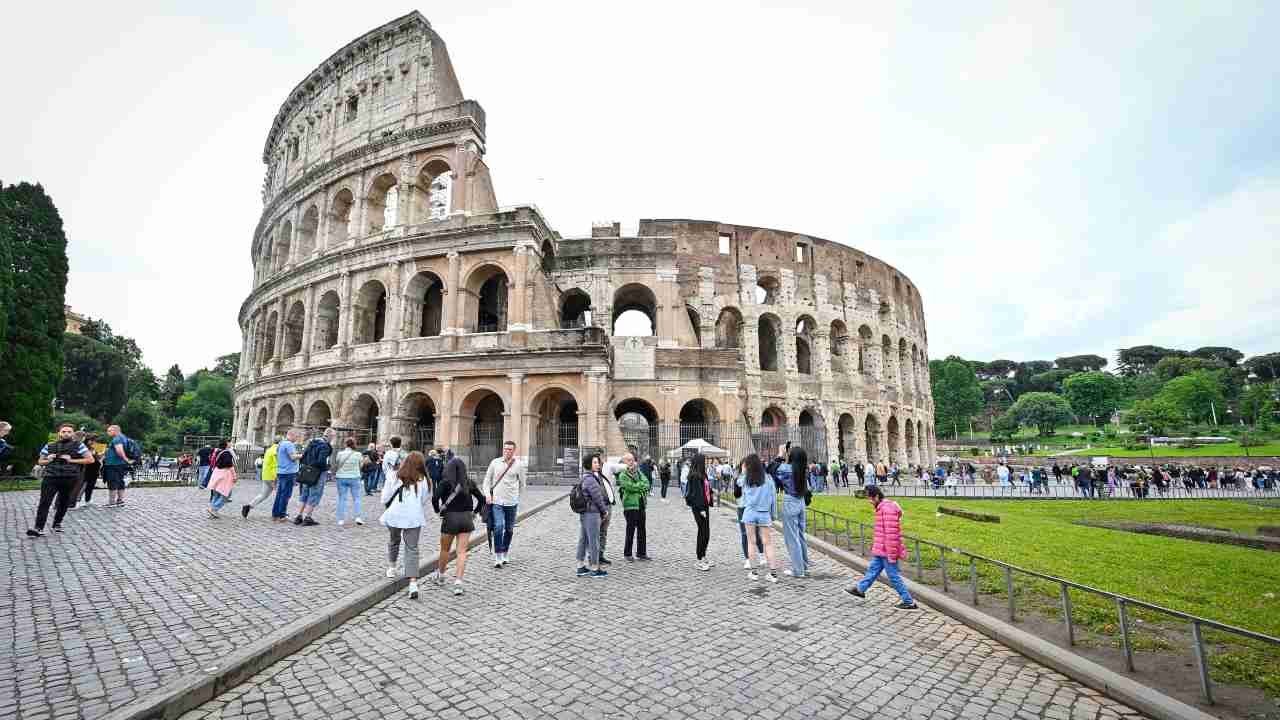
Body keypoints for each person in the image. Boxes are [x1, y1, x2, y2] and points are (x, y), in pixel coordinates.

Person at [844, 485, 918, 609]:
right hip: (881, 549)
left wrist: (892, 554)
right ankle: (860, 589)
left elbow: (891, 534)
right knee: (872, 570)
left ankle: (908, 601)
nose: (869, 501)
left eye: (871, 498)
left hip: (887, 550)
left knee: (893, 577)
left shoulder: (887, 509)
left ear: (877, 496)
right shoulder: (881, 507)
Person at [432, 450, 485, 596]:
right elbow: (482, 499)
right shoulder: (469, 482)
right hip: (466, 519)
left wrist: (438, 512)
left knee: (445, 550)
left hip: (450, 518)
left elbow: (434, 498)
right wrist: (475, 512)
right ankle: (458, 583)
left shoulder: (444, 483)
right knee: (461, 552)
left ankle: (441, 576)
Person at [27, 424, 95, 536]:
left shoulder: (79, 445)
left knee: (63, 502)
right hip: (50, 477)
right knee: (45, 502)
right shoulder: (49, 446)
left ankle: (57, 524)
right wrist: (48, 459)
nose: (66, 433)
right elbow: (40, 462)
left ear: (73, 433)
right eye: (64, 431)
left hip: (69, 477)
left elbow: (90, 460)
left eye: (69, 431)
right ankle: (38, 528)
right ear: (59, 433)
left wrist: (71, 460)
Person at [381, 450, 431, 600]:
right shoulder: (424, 480)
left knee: (394, 540)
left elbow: (385, 497)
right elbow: (423, 500)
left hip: (395, 514)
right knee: (412, 548)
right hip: (413, 517)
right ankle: (413, 584)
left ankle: (392, 566)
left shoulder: (395, 476)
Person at [769, 444, 811, 578]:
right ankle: (804, 566)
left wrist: (781, 454)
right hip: (800, 502)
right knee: (800, 536)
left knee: (792, 538)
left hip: (790, 502)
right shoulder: (803, 469)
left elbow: (770, 469)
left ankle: (798, 571)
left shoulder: (787, 469)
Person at [483, 441, 526, 568]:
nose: (507, 451)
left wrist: (517, 497)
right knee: (498, 527)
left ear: (514, 451)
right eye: (506, 449)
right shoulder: (495, 462)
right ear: (503, 449)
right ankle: (498, 555)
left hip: (512, 502)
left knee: (509, 529)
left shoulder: (519, 465)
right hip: (497, 501)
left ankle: (505, 551)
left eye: (510, 449)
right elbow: (487, 480)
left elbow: (522, 484)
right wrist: (487, 494)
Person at [738, 453, 779, 582]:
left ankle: (754, 572)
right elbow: (773, 499)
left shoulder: (745, 478)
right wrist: (773, 514)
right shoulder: (768, 479)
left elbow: (738, 483)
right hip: (764, 513)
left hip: (750, 512)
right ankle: (773, 573)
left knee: (751, 542)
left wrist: (744, 471)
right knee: (768, 543)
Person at [575, 454, 609, 578]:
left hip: (584, 513)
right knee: (594, 541)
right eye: (595, 462)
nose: (598, 465)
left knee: (583, 539)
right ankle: (595, 568)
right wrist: (604, 511)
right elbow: (598, 498)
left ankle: (580, 566)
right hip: (592, 513)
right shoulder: (590, 479)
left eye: (598, 462)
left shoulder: (584, 477)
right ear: (589, 464)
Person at [294, 429, 334, 526]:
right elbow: (321, 461)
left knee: (305, 494)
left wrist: (307, 466)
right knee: (314, 494)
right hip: (317, 473)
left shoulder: (312, 443)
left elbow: (303, 457)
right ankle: (308, 517)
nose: (333, 438)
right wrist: (326, 467)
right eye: (333, 436)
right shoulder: (324, 446)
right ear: (329, 436)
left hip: (307, 470)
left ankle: (298, 516)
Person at [733, 456, 767, 569]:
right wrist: (742, 474)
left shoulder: (754, 478)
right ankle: (747, 559)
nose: (745, 467)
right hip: (742, 508)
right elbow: (736, 494)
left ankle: (761, 555)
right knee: (744, 534)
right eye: (744, 465)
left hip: (751, 508)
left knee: (756, 533)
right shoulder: (739, 478)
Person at [617, 451, 651, 561]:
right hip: (630, 505)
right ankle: (627, 553)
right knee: (630, 529)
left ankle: (641, 553)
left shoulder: (639, 472)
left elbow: (647, 483)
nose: (631, 462)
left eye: (632, 459)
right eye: (629, 460)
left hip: (641, 503)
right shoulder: (622, 475)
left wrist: (639, 486)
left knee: (642, 529)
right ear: (624, 462)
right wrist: (640, 486)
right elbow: (629, 487)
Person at [684, 452, 714, 571]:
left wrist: (711, 493)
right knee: (702, 532)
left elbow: (705, 489)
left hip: (704, 506)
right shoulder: (695, 476)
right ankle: (699, 559)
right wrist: (701, 509)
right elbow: (697, 494)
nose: (706, 462)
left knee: (706, 532)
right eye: (704, 460)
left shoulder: (702, 474)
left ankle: (703, 556)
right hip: (699, 507)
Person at [243, 436, 279, 518]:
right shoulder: (276, 451)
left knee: (263, 495)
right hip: (272, 476)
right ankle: (279, 513)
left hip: (265, 475)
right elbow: (275, 465)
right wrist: (276, 477)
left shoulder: (269, 450)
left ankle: (248, 506)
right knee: (280, 494)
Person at [271, 430, 303, 523]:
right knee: (286, 495)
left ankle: (275, 514)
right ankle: (282, 515)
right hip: (289, 472)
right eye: (296, 436)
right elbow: (292, 457)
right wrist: (302, 455)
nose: (297, 439)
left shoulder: (281, 444)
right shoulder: (289, 444)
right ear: (291, 435)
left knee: (280, 494)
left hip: (281, 471)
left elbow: (277, 456)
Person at [333, 437, 366, 526]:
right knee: (357, 498)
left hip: (341, 477)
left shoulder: (340, 453)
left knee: (342, 498)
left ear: (345, 444)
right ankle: (358, 517)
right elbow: (361, 465)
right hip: (354, 477)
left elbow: (337, 463)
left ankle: (341, 519)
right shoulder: (358, 454)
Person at [101, 424, 132, 508]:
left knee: (112, 482)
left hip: (113, 464)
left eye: (109, 431)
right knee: (120, 481)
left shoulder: (117, 439)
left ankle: (111, 502)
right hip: (120, 464)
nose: (107, 432)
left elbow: (119, 451)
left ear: (115, 431)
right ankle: (120, 500)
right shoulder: (124, 438)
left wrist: (126, 459)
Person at [206, 440, 238, 518]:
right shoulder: (227, 453)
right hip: (224, 475)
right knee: (226, 494)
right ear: (226, 444)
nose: (230, 443)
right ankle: (214, 509)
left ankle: (212, 511)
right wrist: (234, 476)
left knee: (216, 494)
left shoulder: (218, 452)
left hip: (216, 473)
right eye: (229, 442)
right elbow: (229, 465)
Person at [72, 433, 101, 509]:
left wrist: (99, 454)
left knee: (90, 485)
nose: (94, 442)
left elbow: (98, 457)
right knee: (83, 485)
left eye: (95, 441)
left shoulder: (95, 447)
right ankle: (77, 500)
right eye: (92, 441)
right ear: (87, 440)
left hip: (94, 469)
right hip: (87, 469)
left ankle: (87, 500)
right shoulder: (83, 447)